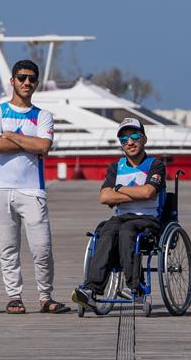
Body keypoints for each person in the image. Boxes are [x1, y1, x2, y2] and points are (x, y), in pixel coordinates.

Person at [0, 59, 69, 314]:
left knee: (42, 249)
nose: (26, 83)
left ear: (37, 83)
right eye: (21, 78)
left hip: (33, 190)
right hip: (1, 189)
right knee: (9, 249)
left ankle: (45, 296)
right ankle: (14, 296)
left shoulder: (43, 115)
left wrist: (10, 135)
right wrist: (28, 142)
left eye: (32, 79)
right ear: (12, 81)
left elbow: (44, 147)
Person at [71, 118, 166, 308]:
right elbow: (104, 197)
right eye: (124, 139)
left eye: (134, 136)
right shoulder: (116, 167)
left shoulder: (155, 165)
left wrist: (119, 189)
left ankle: (135, 286)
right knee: (105, 231)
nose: (129, 142)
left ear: (144, 139)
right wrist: (137, 194)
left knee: (127, 231)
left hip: (147, 219)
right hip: (120, 217)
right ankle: (91, 289)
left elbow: (149, 192)